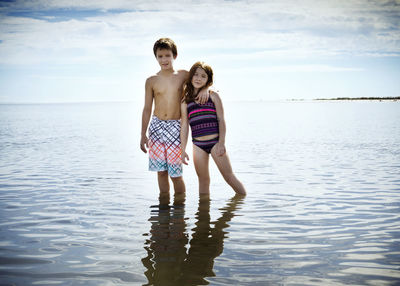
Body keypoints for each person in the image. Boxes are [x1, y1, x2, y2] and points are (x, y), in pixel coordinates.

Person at [140, 38, 208, 194]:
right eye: (160, 56)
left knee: (176, 174)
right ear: (156, 57)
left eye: (167, 55)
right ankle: (163, 209)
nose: (164, 59)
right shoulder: (151, 81)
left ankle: (179, 212)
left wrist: (205, 90)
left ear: (174, 56)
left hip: (175, 127)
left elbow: (203, 79)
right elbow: (146, 109)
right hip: (156, 128)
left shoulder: (183, 75)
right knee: (161, 172)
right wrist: (142, 134)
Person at [180, 62, 246, 195]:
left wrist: (222, 143)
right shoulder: (185, 102)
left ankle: (244, 201)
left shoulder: (213, 96)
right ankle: (203, 213)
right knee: (203, 180)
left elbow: (221, 120)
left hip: (216, 142)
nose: (199, 78)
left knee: (229, 177)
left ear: (208, 80)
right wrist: (182, 149)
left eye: (203, 76)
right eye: (196, 75)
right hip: (198, 145)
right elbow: (184, 126)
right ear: (191, 77)